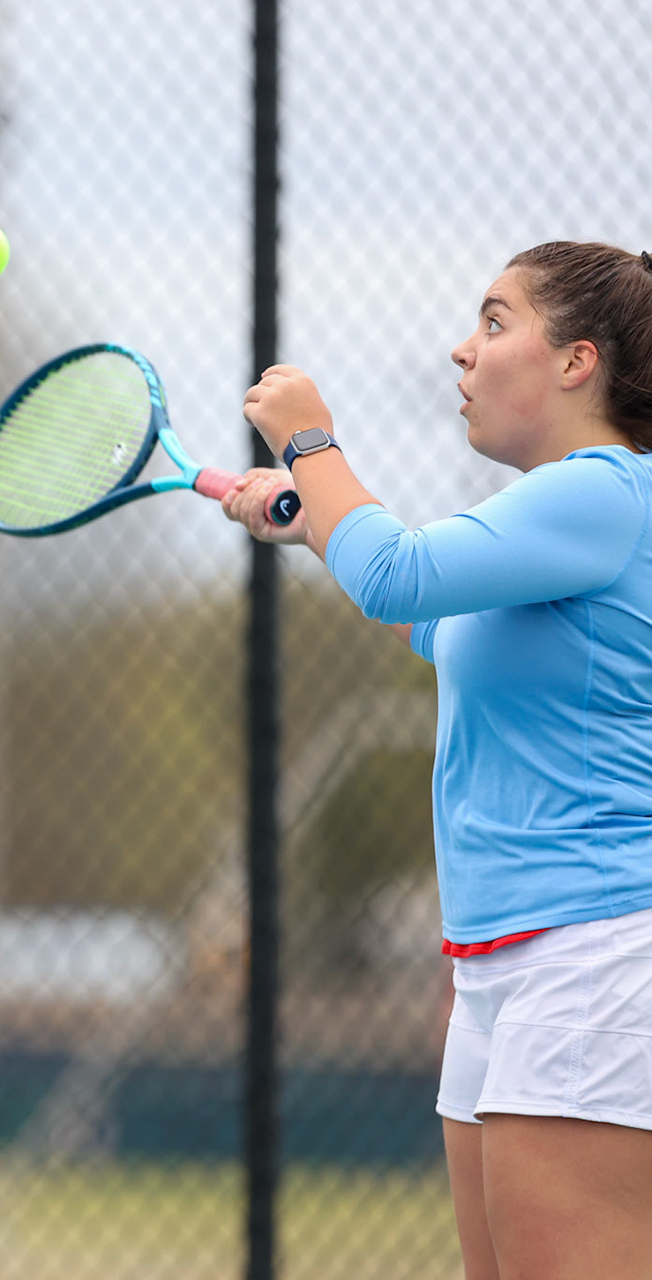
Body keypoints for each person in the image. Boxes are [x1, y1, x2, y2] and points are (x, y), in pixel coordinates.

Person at [220, 241, 652, 1280]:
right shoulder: (561, 520)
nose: (464, 350)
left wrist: (311, 442)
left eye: (496, 322)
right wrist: (316, 523)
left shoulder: (603, 492)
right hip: (502, 957)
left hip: (596, 954)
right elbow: (440, 627)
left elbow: (400, 575)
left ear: (576, 362)